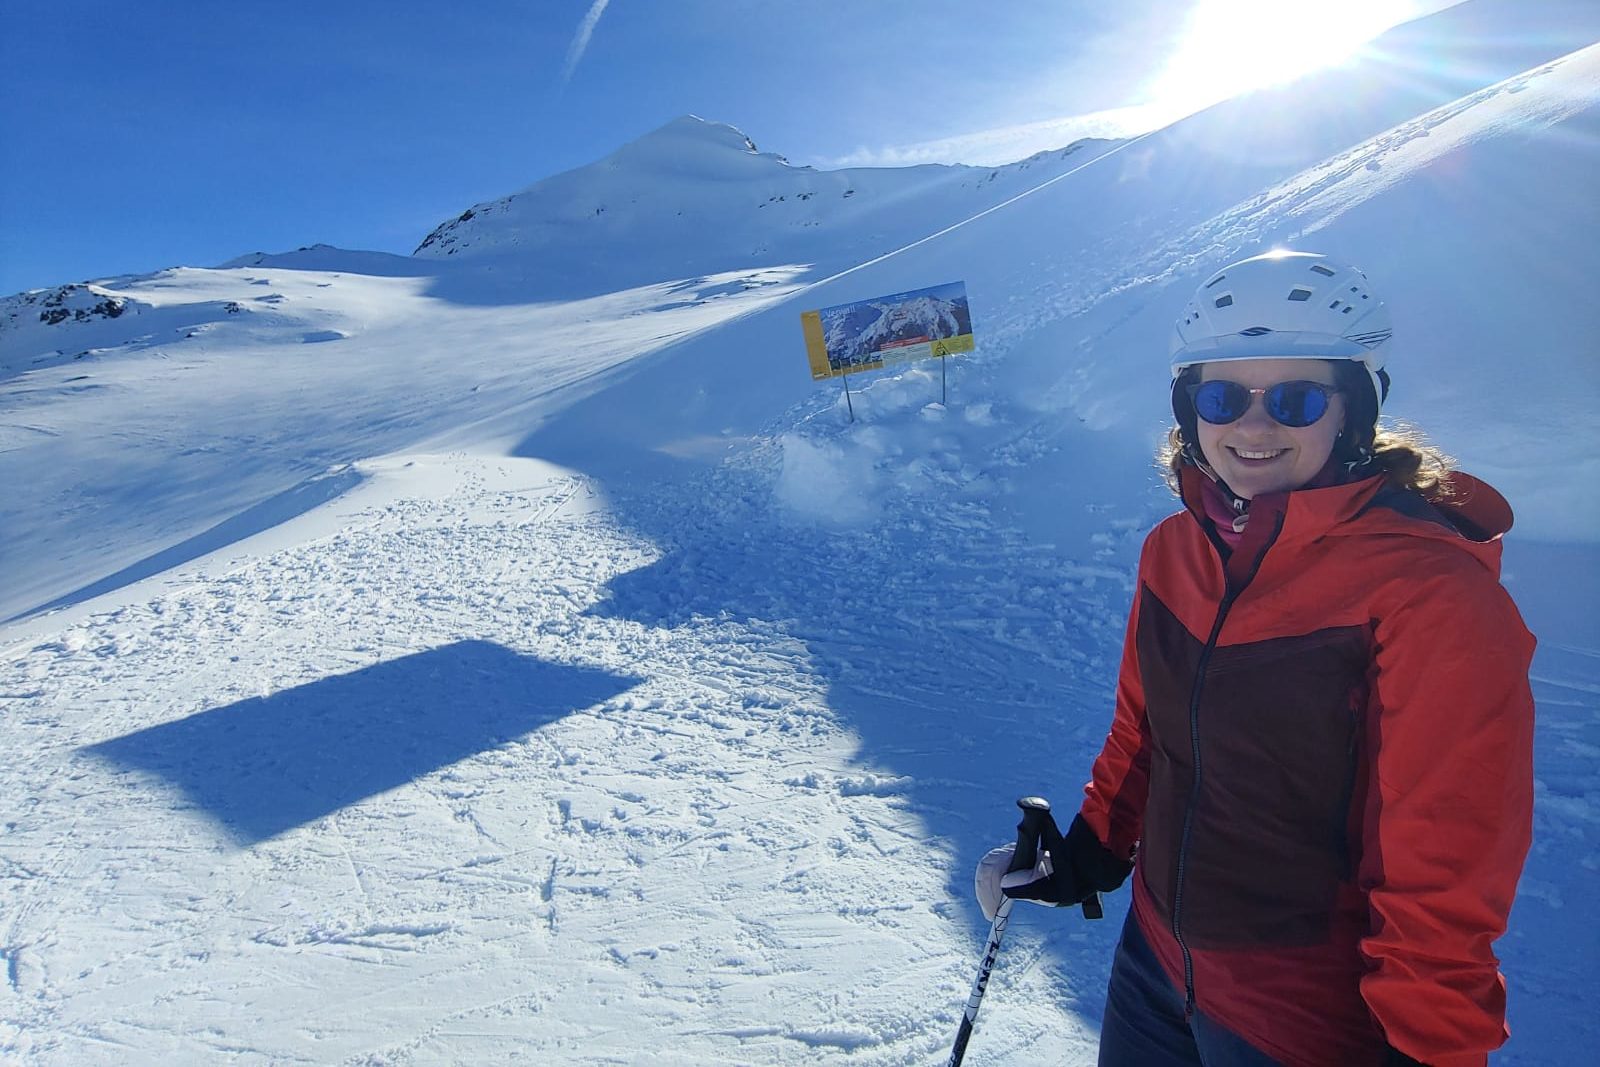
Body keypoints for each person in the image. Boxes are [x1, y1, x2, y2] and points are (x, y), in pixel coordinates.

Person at [974, 250, 1535, 1067]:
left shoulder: (1429, 590)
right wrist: (1090, 850)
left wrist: (1430, 1050)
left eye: (1298, 400)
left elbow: (1445, 866)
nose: (1255, 426)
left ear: (1355, 410)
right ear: (1189, 408)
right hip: (1154, 970)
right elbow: (1146, 731)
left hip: (1303, 1021)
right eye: (1222, 395)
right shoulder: (1174, 550)